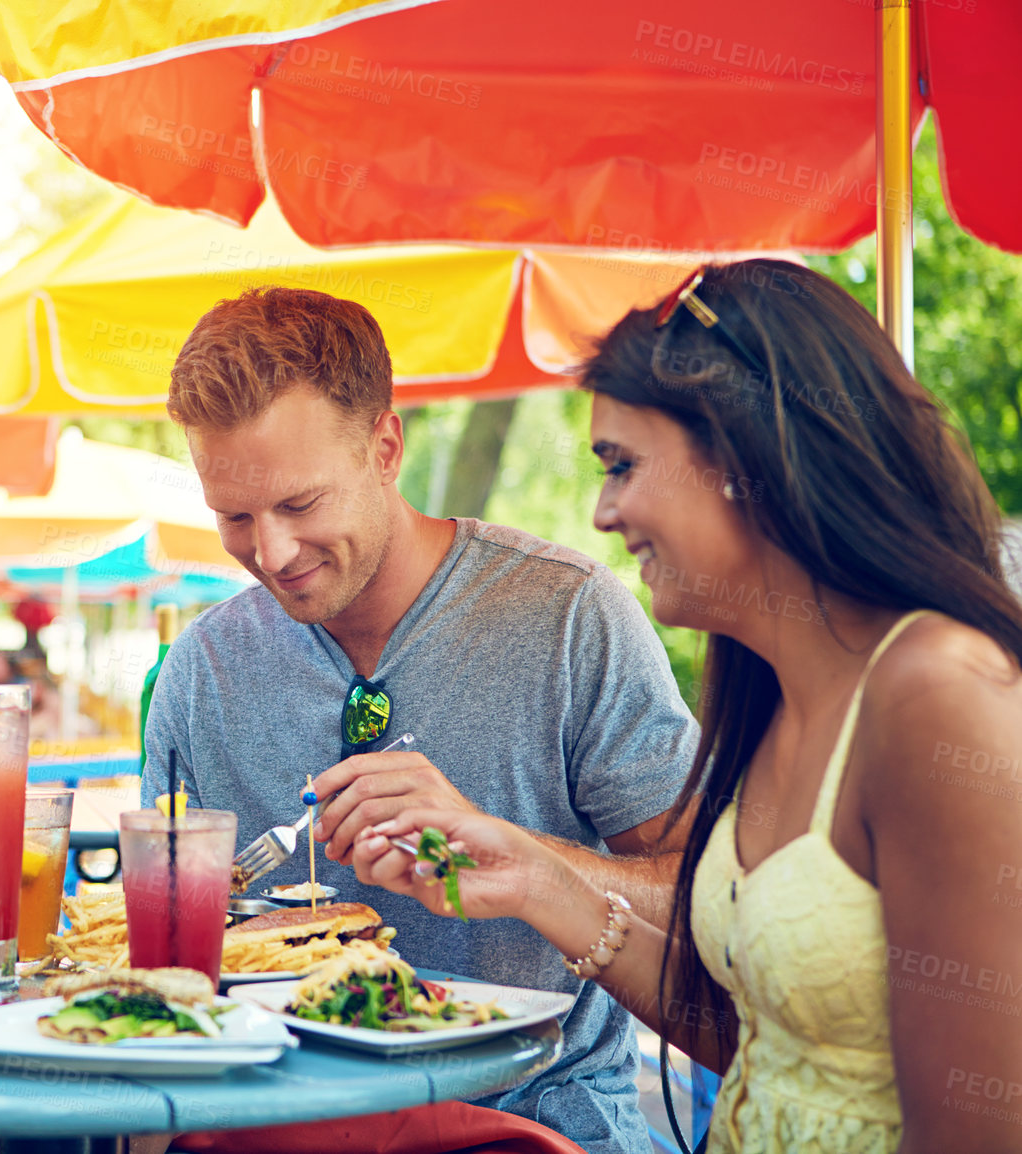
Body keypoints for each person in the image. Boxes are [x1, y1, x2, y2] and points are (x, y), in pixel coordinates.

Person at [349, 261, 1022, 1152]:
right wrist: (538, 883)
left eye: (623, 465)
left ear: (747, 454)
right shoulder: (777, 694)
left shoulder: (937, 693)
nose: (602, 510)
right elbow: (767, 1040)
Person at [143, 287, 699, 1154]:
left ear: (386, 447)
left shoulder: (567, 617)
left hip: (531, 1126)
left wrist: (519, 855)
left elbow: (709, 899)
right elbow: (167, 953)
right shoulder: (201, 672)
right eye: (235, 518)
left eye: (300, 506)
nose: (272, 554)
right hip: (275, 1127)